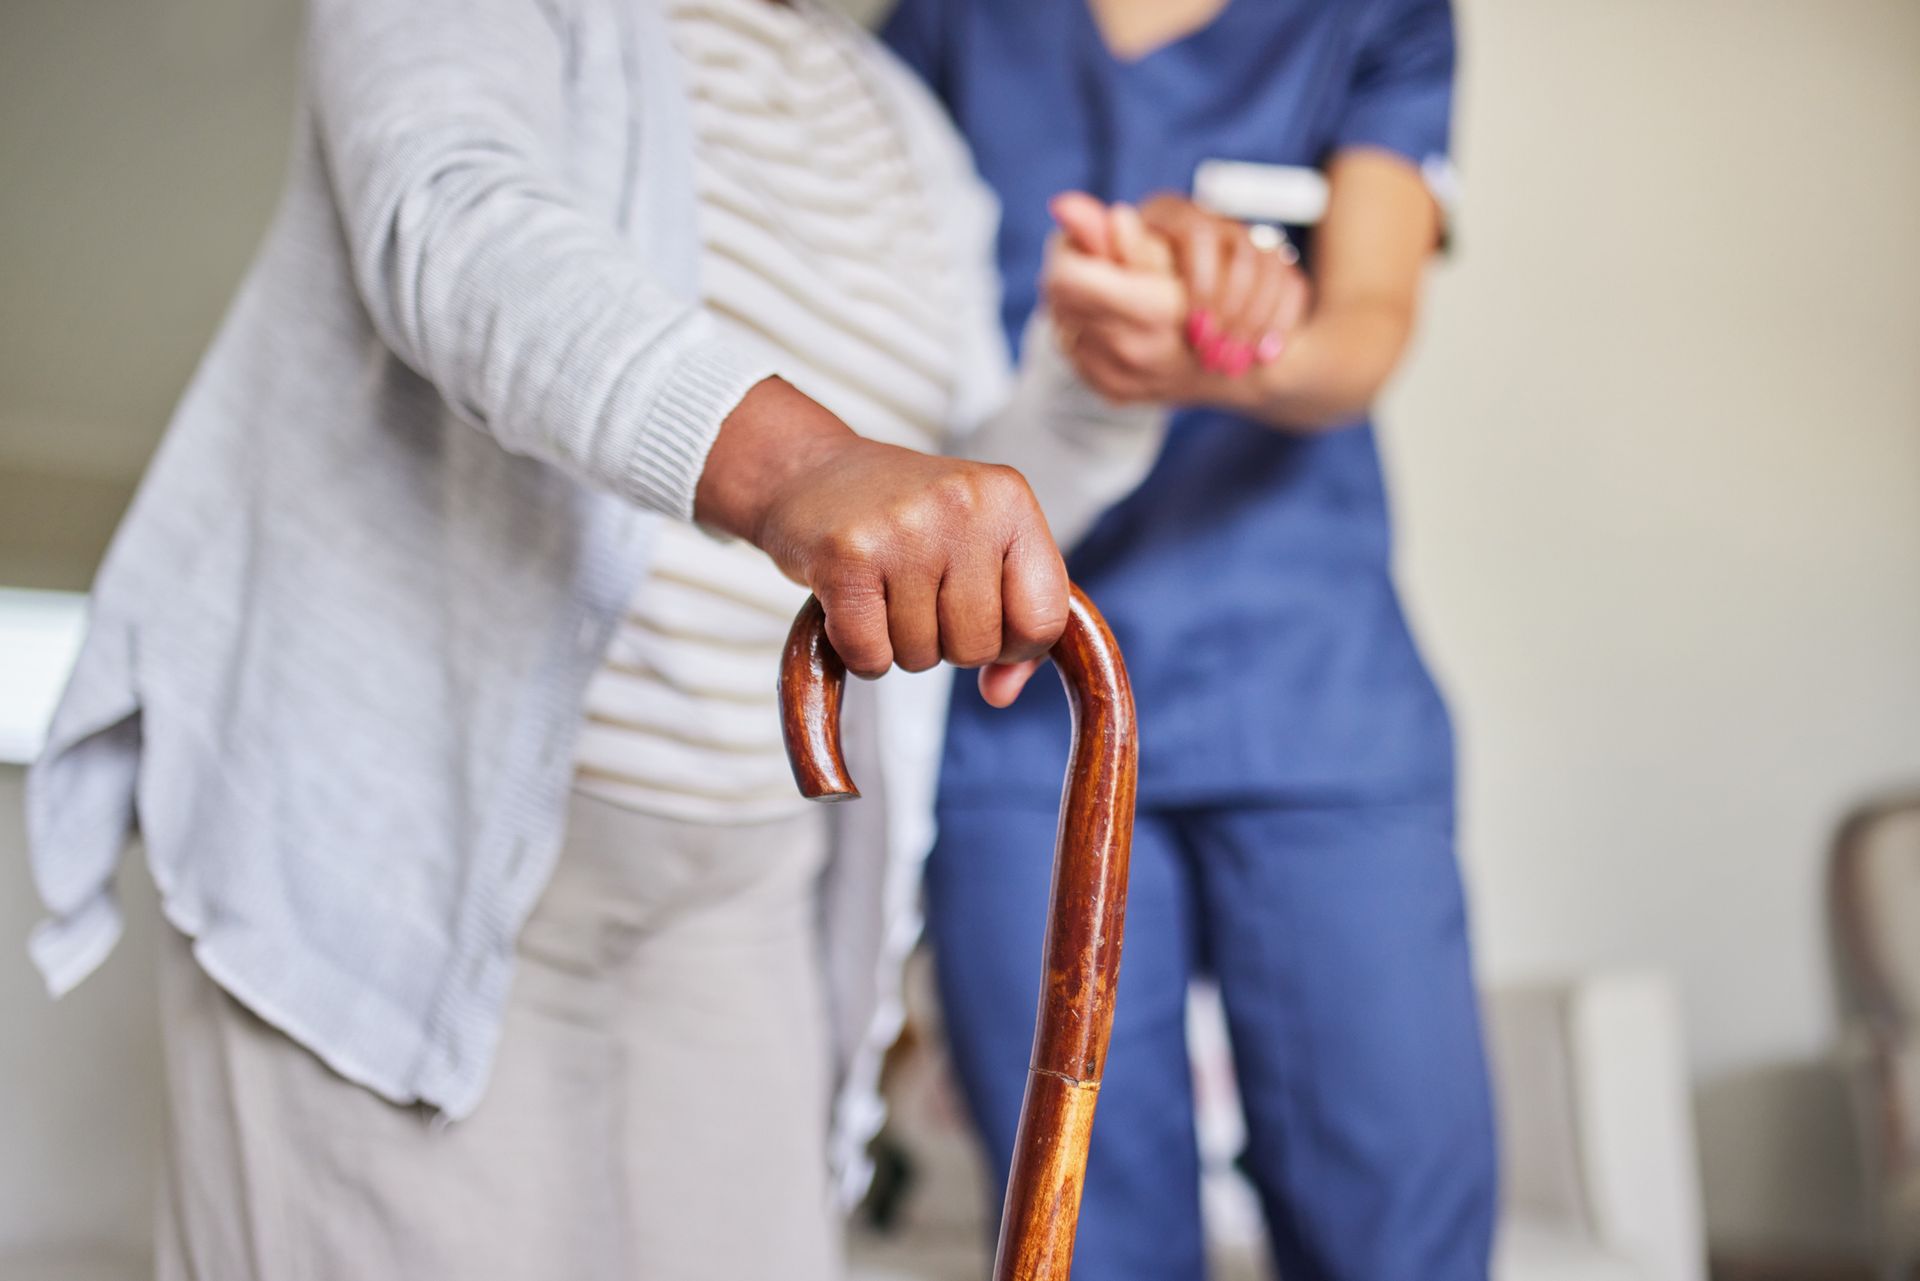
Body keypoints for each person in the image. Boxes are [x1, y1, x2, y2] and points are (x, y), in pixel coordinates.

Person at [20, 0, 1287, 1275]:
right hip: (410, 850)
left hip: (742, 891)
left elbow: (934, 544)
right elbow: (455, 226)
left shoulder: (907, 131)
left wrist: (1101, 385)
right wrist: (799, 465)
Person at [883, 0, 1500, 1277]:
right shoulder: (947, 28)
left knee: (1398, 1229)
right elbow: (889, 343)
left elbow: (1364, 325)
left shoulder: (1372, 21)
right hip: (1025, 714)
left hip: (1312, 687)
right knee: (1078, 1234)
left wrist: (1218, 349)